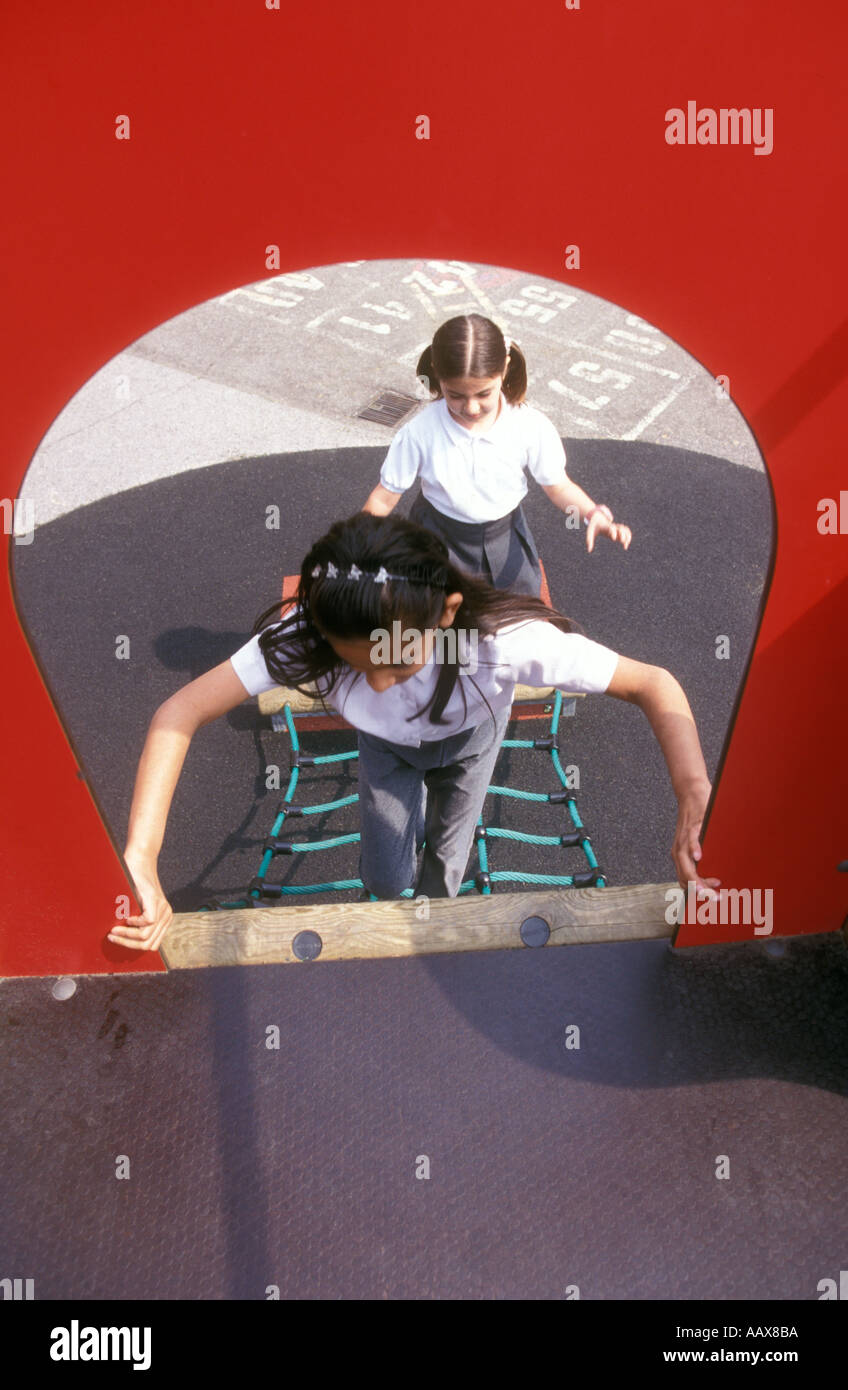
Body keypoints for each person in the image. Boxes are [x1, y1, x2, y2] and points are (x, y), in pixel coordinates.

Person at [108, 513, 717, 953]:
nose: (376, 685)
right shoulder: (311, 635)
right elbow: (178, 714)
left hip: (472, 739)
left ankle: (439, 920)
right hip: (386, 750)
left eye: (396, 662)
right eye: (355, 665)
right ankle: (401, 890)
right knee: (383, 875)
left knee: (449, 852)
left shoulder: (496, 643)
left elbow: (654, 684)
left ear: (446, 612)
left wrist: (693, 791)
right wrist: (142, 854)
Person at [361, 313, 632, 597]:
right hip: (436, 536)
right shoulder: (420, 432)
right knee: (437, 619)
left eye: (483, 394)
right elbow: (384, 496)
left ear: (504, 368)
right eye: (455, 395)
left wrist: (591, 513)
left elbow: (559, 486)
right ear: (436, 373)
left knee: (517, 616)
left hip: (503, 536)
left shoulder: (528, 425)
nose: (471, 408)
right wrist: (355, 544)